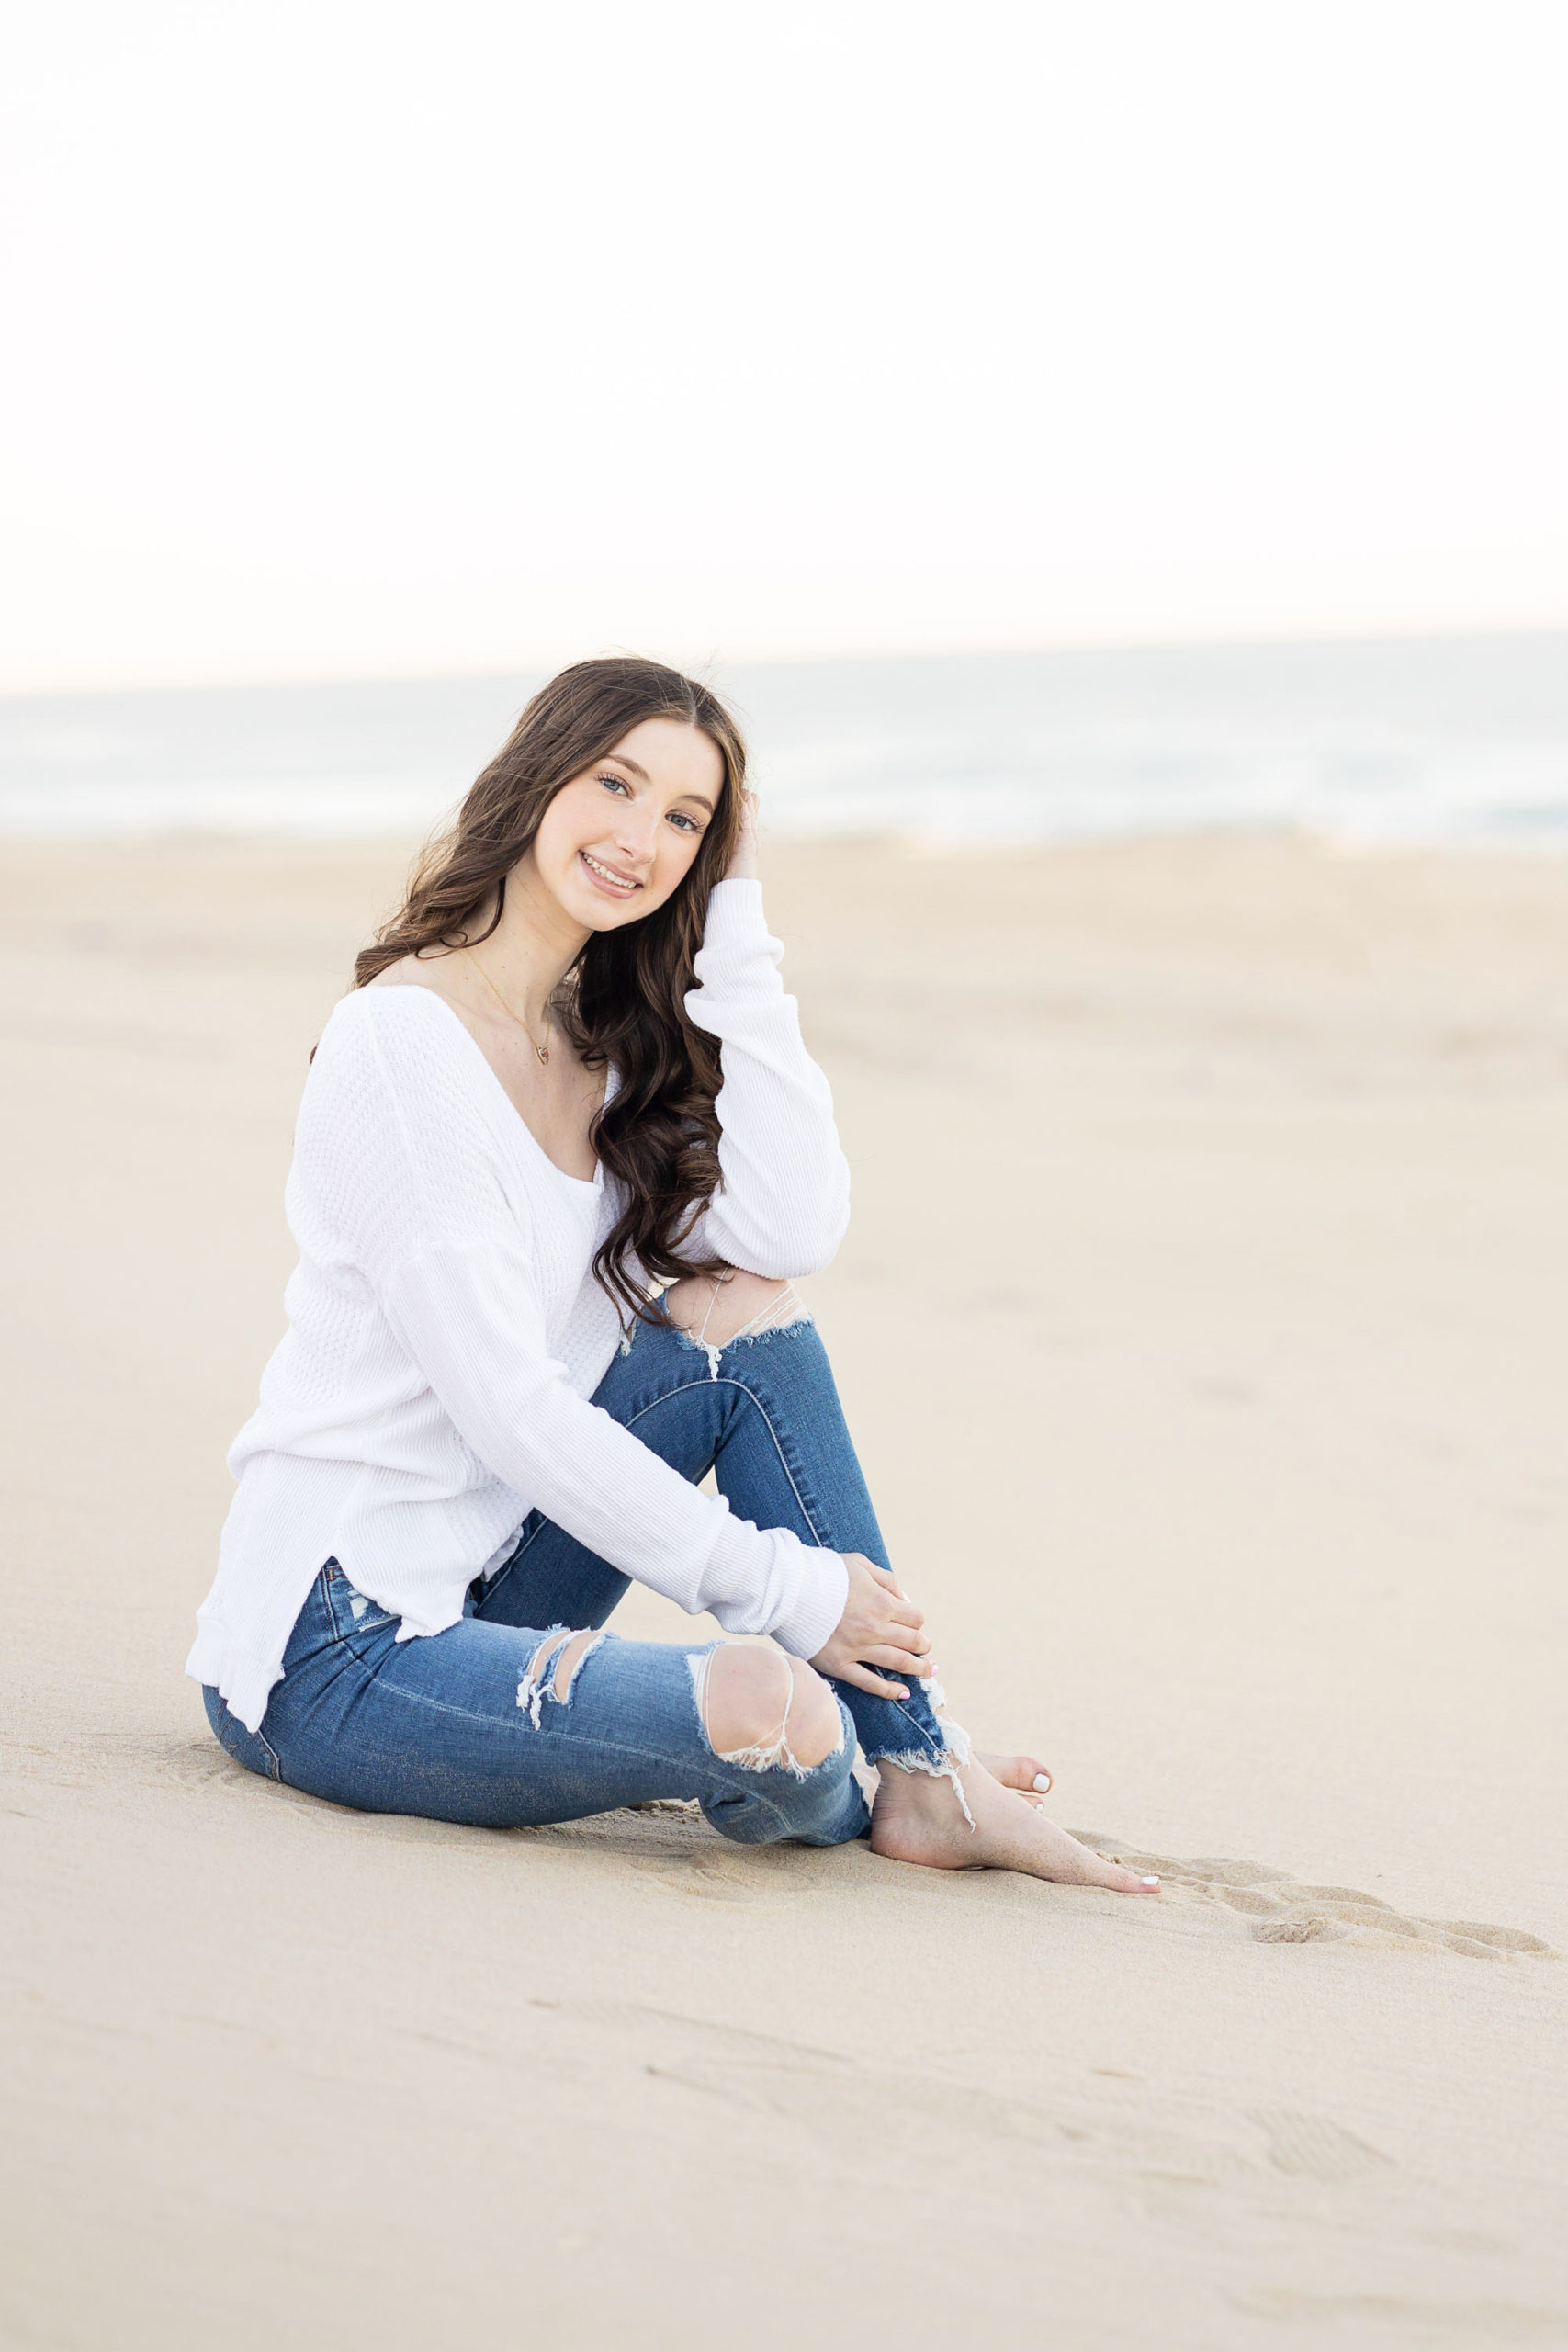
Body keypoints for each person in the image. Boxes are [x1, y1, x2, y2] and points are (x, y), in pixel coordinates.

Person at [187, 655, 1157, 1894]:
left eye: (687, 820)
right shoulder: (403, 1048)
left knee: (742, 1325)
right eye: (616, 784)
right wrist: (786, 1592)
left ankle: (924, 1770)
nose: (642, 838)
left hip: (498, 1578)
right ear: (541, 779)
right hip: (337, 1645)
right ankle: (823, 1767)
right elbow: (508, 1408)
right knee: (767, 1698)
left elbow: (790, 1227)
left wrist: (736, 923)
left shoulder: (595, 1058)